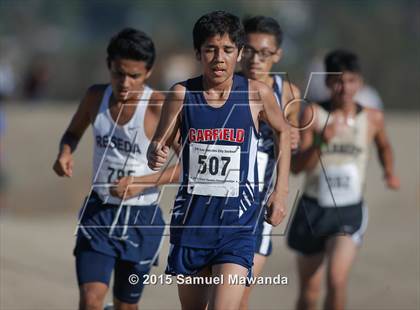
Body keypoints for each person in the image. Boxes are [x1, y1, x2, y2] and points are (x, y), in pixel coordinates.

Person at [147, 11, 291, 310]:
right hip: (192, 227)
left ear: (239, 53)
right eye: (211, 49)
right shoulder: (182, 94)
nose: (219, 58)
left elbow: (283, 132)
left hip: (236, 229)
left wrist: (280, 192)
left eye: (227, 50)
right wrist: (155, 152)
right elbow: (160, 142)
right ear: (198, 52)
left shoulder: (256, 94)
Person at [53, 28, 179, 310]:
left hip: (141, 219)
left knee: (126, 306)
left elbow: (191, 165)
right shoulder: (95, 97)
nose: (125, 82)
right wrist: (64, 153)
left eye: (134, 76)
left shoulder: (159, 107)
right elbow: (72, 133)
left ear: (148, 72)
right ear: (109, 65)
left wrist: (141, 182)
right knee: (90, 300)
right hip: (99, 213)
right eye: (119, 73)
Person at [288, 50, 400, 310]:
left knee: (337, 280)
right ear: (327, 82)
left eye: (351, 81)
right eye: (338, 81)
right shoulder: (313, 115)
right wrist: (320, 140)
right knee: (310, 292)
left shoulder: (372, 117)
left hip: (348, 210)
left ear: (360, 82)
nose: (344, 88)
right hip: (313, 209)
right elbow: (297, 167)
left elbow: (384, 146)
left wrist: (389, 172)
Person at [238, 15, 301, 309]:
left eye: (264, 53)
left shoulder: (288, 92)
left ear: (277, 55)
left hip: (258, 205)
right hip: (216, 204)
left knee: (239, 295)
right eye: (248, 50)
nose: (255, 59)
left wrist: (281, 191)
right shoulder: (225, 86)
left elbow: (291, 139)